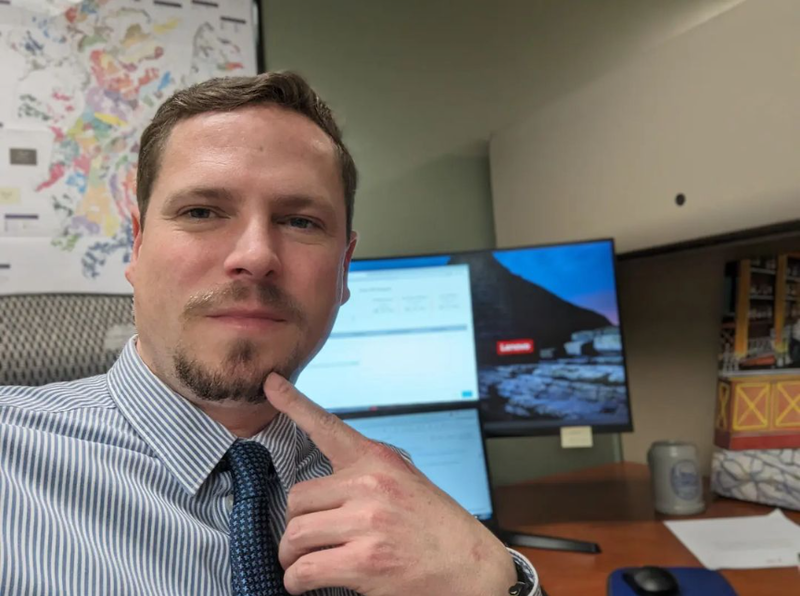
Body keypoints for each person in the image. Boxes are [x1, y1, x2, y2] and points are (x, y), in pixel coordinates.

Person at [0, 72, 540, 596]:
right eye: (201, 211)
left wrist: (497, 587)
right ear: (137, 246)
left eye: (300, 221)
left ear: (344, 268)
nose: (256, 256)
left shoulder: (395, 496)